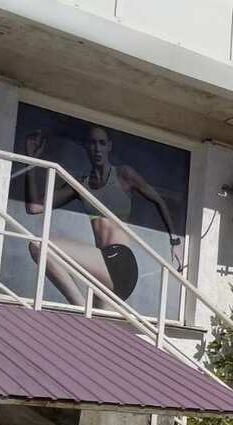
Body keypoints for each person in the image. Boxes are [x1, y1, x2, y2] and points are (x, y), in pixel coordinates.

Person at [24, 123, 183, 306]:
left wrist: (175, 242)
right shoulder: (81, 185)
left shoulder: (123, 175)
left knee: (39, 245)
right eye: (92, 143)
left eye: (101, 143)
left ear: (109, 146)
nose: (97, 149)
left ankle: (79, 308)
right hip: (102, 270)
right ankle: (83, 314)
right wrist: (30, 161)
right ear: (86, 147)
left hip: (120, 262)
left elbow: (159, 200)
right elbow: (34, 207)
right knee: (95, 325)